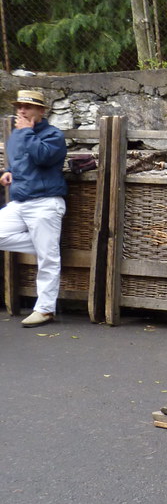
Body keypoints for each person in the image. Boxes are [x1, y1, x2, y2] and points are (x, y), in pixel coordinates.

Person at [0, 90, 68, 328]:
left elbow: (42, 157)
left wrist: (27, 131)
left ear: (41, 111)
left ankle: (45, 309)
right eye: (19, 106)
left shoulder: (54, 135)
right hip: (19, 202)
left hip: (46, 202)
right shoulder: (18, 135)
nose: (21, 111)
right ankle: (47, 246)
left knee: (47, 259)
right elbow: (17, 161)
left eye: (27, 107)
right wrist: (7, 172)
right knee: (47, 253)